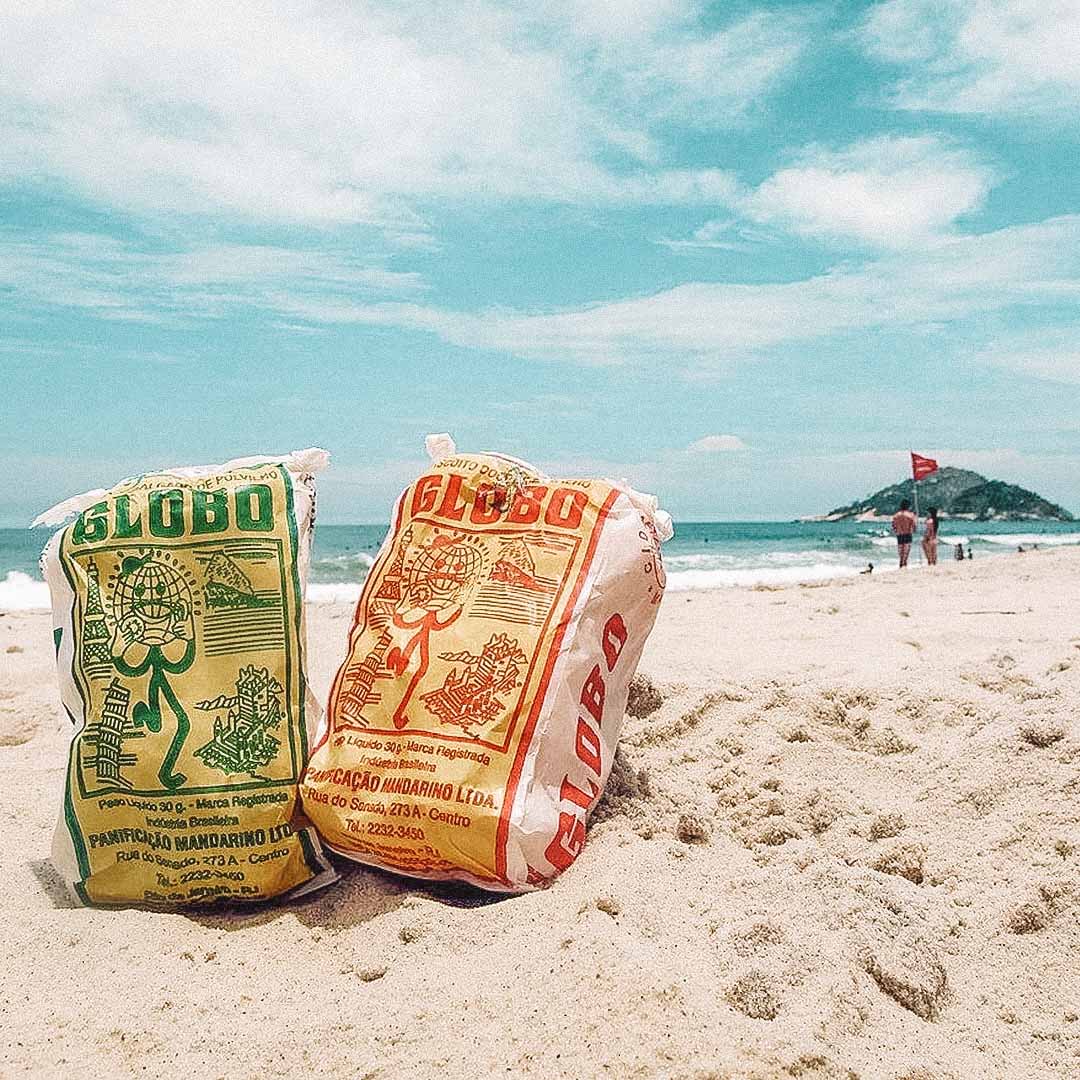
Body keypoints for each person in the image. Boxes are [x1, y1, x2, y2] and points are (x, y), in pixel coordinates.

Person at [891, 499, 917, 568]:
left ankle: (901, 562)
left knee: (900, 549)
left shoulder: (896, 515)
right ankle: (904, 563)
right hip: (907, 533)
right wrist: (914, 530)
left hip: (899, 534)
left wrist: (896, 531)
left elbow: (893, 525)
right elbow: (914, 525)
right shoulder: (910, 515)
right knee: (906, 550)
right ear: (908, 506)